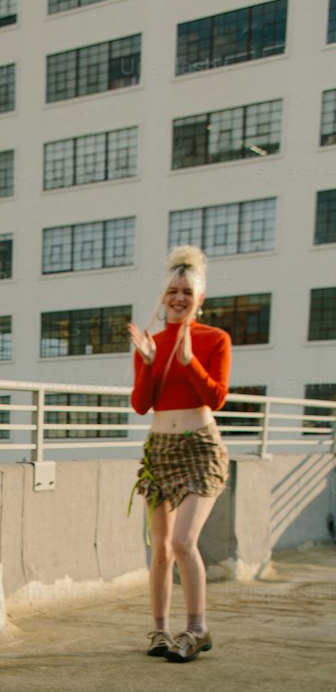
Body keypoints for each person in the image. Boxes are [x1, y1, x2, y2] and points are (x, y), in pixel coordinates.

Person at [128, 246, 231, 664]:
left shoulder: (214, 340)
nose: (179, 298)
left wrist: (189, 362)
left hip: (200, 449)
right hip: (160, 450)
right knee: (161, 547)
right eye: (173, 290)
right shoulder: (150, 342)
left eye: (187, 291)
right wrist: (149, 362)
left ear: (200, 299)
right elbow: (141, 405)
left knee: (185, 541)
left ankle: (197, 628)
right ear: (163, 295)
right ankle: (159, 629)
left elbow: (217, 398)